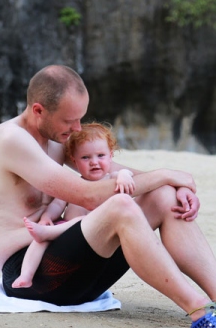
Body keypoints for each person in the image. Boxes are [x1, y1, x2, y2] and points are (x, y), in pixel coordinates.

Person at [0, 64, 216, 328]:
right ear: (38, 110)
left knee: (162, 198)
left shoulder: (54, 138)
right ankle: (199, 312)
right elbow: (89, 195)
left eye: (80, 119)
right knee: (121, 205)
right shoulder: (11, 140)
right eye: (70, 120)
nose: (77, 129)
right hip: (32, 275)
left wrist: (175, 185)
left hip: (76, 271)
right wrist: (166, 174)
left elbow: (109, 174)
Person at [12, 122, 135, 289]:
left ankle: (47, 233)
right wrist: (47, 217)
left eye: (100, 155)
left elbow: (127, 174)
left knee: (84, 219)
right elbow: (57, 204)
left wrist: (124, 175)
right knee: (40, 241)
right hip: (66, 233)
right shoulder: (74, 184)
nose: (94, 162)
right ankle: (26, 275)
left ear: (110, 156)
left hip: (93, 233)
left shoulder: (113, 179)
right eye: (85, 157)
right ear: (75, 161)